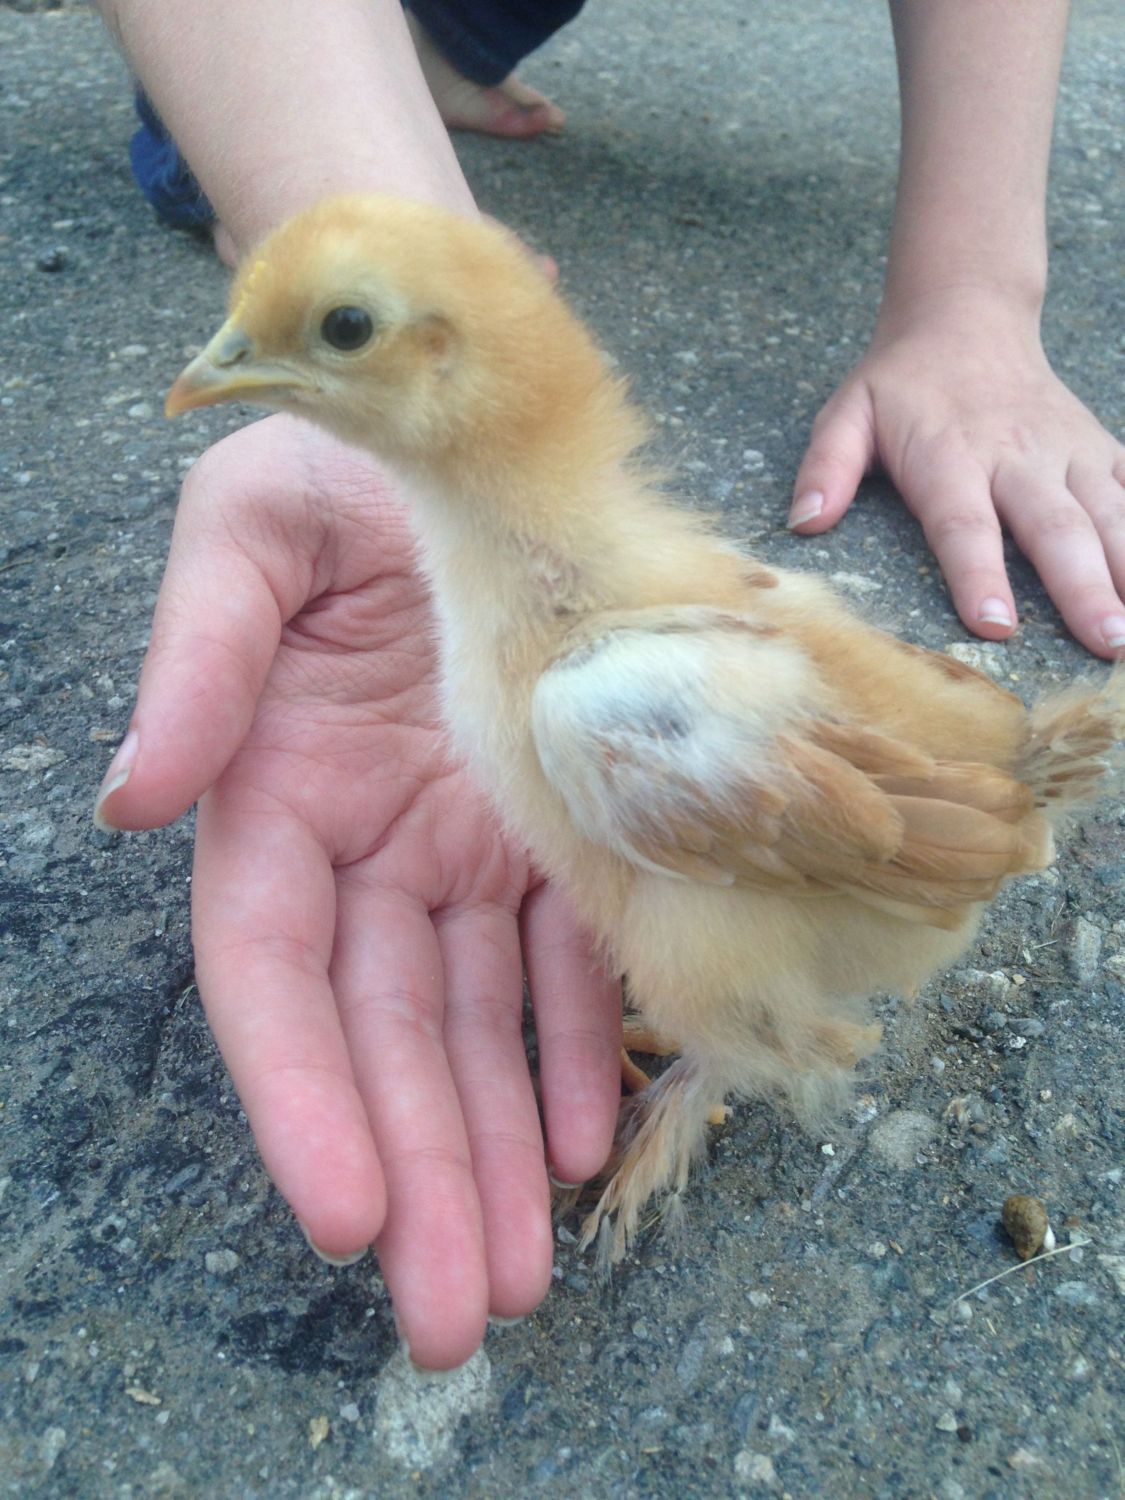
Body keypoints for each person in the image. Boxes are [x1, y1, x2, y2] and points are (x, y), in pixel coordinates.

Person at [91, 0, 1123, 1370]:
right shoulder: (578, 585)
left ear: (450, 361)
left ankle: (715, 1062)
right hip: (876, 775)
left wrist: (973, 297)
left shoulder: (607, 700)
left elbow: (939, 831)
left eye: (333, 331)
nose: (216, 365)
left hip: (894, 848)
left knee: (622, 788)